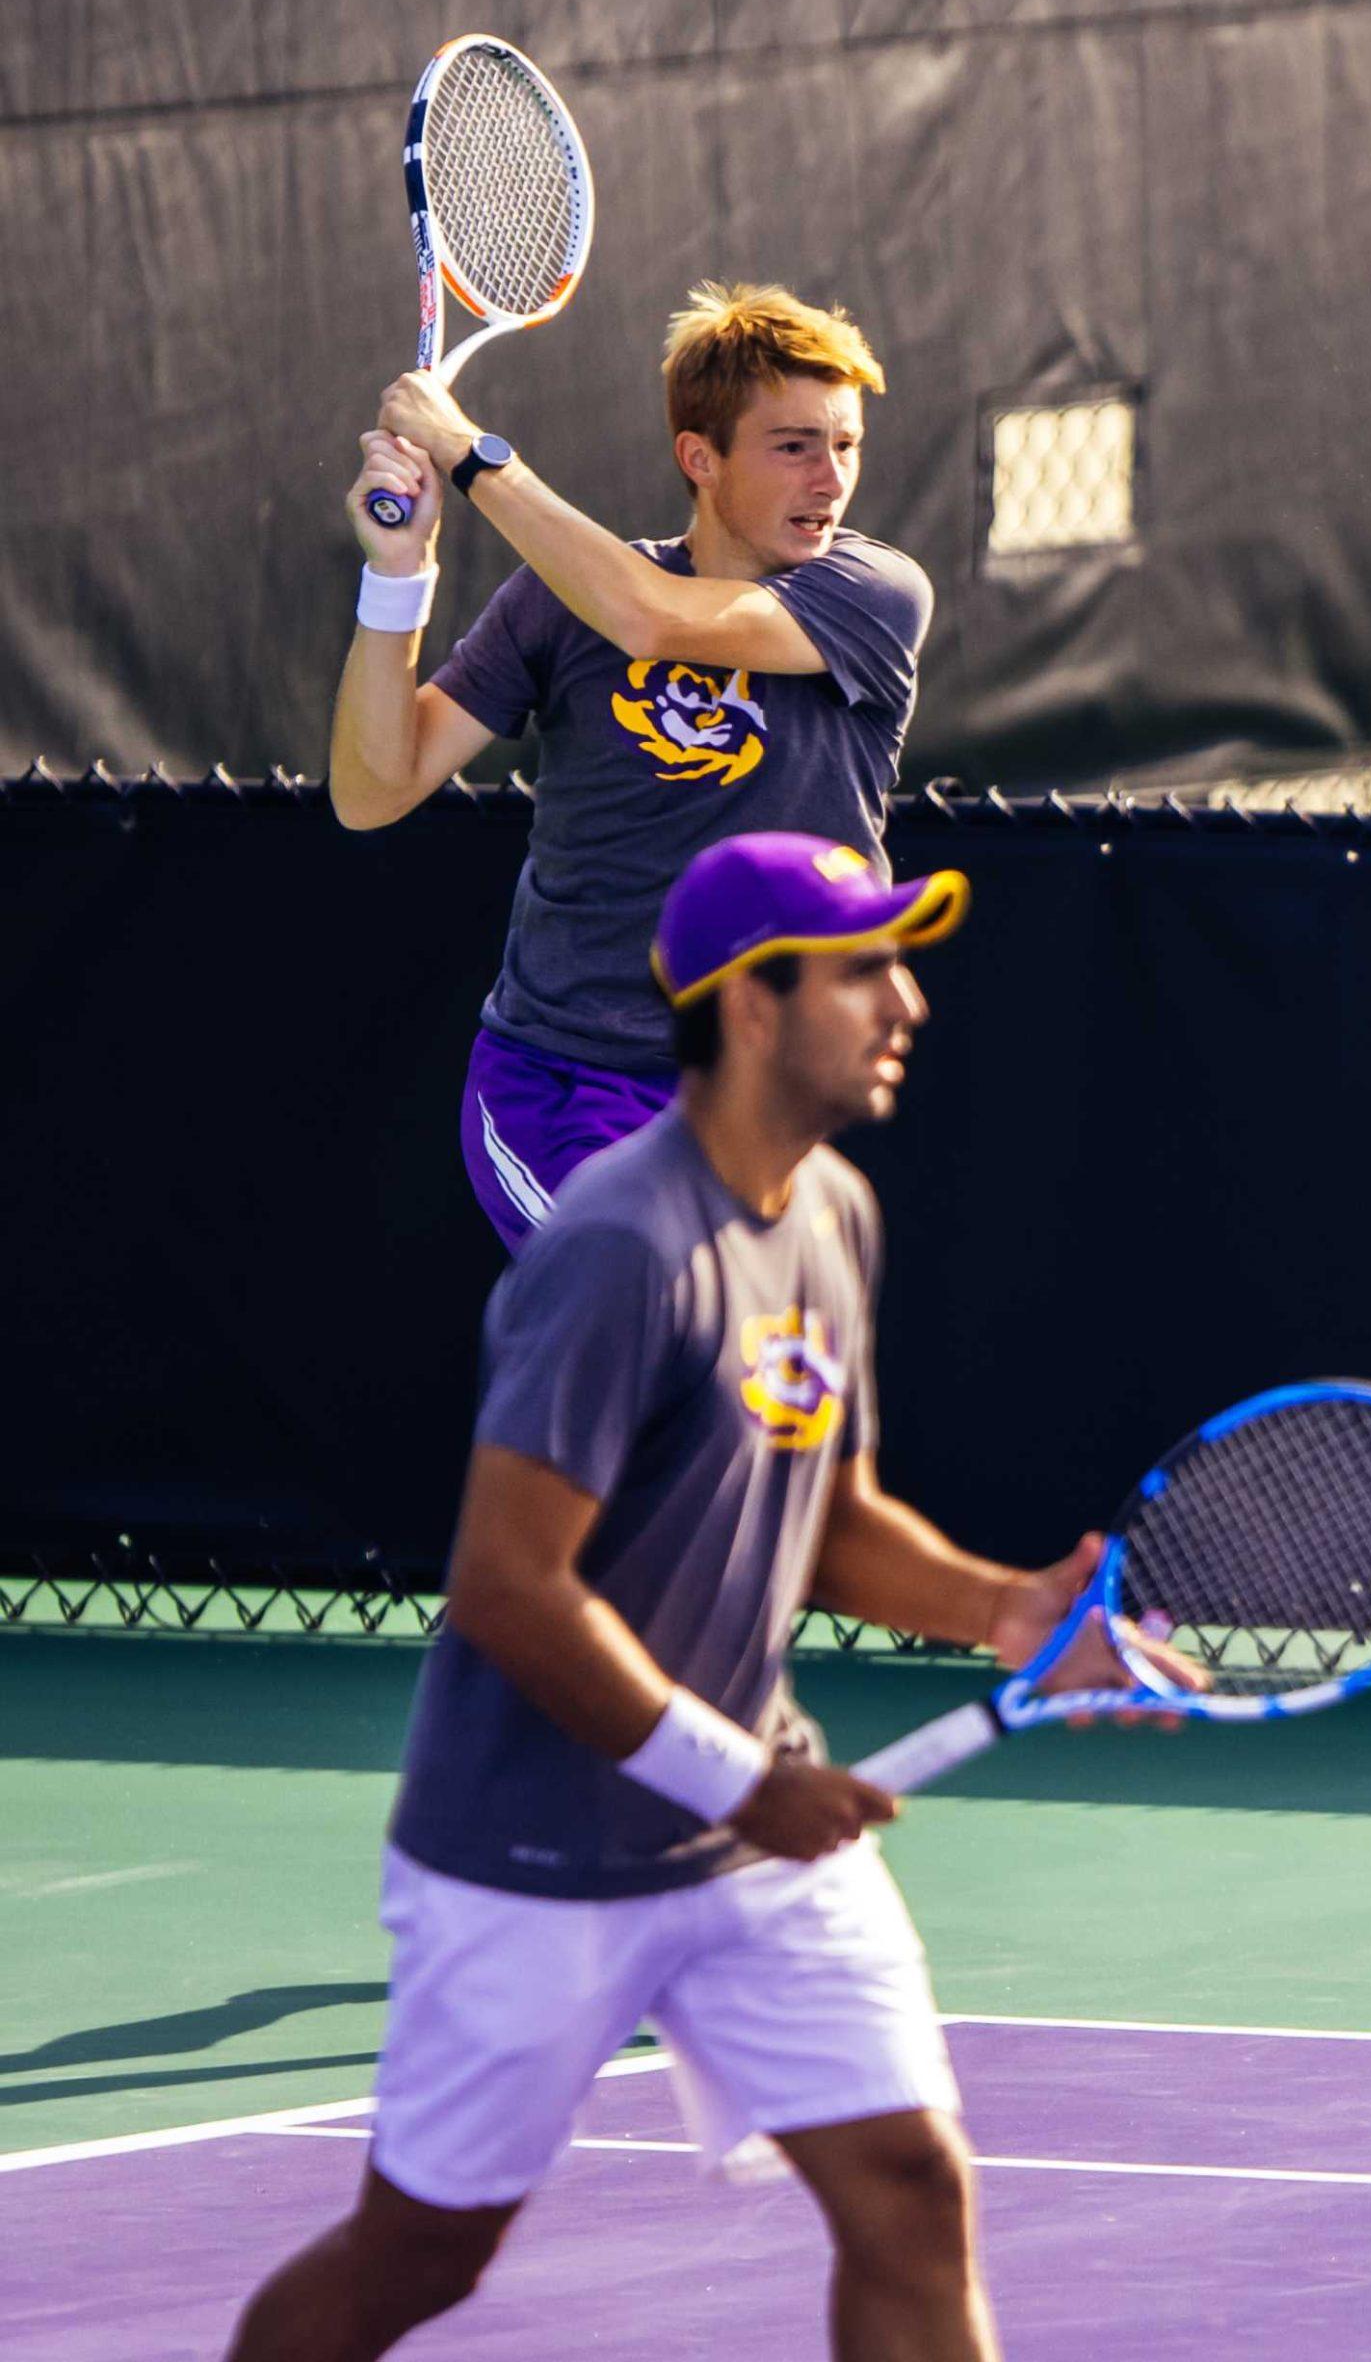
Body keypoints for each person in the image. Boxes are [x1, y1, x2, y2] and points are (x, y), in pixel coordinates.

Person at [224, 832, 1203, 2362]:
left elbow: (835, 1523)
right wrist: (735, 1779)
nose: (907, 1005)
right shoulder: (618, 1249)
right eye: (865, 968)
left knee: (907, 2188)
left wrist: (1010, 1609)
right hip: (528, 1857)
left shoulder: (832, 1215)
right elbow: (504, 1582)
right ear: (752, 1004)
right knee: (419, 2263)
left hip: (751, 1846)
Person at [331, 281, 933, 1253]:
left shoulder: (875, 595)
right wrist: (397, 575)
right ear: (700, 457)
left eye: (846, 445)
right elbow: (371, 789)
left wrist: (470, 453)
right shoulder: (559, 602)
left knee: (743, 1385)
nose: (830, 480)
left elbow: (652, 618)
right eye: (794, 446)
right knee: (649, 1311)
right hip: (566, 1092)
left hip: (759, 1092)